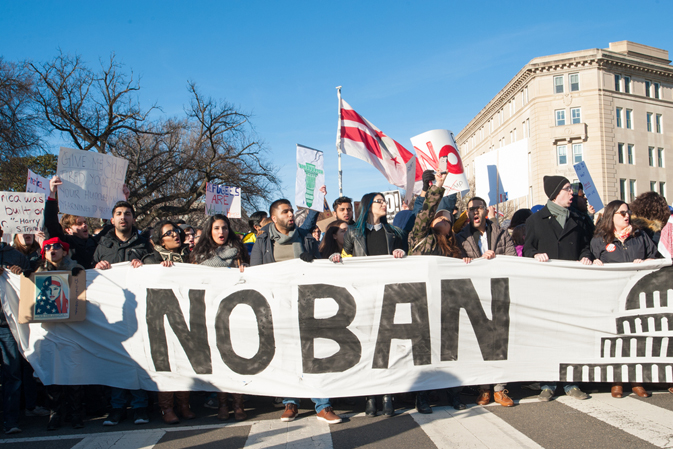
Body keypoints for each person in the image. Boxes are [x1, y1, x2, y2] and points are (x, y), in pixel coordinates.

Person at [250, 199, 340, 424]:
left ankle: (323, 404)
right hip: (278, 306)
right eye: (285, 212)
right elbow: (255, 275)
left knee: (314, 352)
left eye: (291, 210)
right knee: (287, 353)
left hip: (307, 305)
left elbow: (320, 271)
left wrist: (314, 261)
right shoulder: (262, 241)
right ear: (274, 218)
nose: (291, 214)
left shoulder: (305, 238)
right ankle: (291, 402)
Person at [334, 192, 406, 417]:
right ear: (368, 205)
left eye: (384, 201)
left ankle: (387, 395)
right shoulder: (353, 232)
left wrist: (402, 253)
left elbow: (408, 257)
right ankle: (370, 396)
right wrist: (338, 259)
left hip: (388, 295)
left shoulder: (394, 232)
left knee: (386, 345)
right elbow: (347, 258)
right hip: (364, 296)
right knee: (367, 345)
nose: (384, 204)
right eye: (379, 201)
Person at [524, 175, 593, 402]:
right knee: (548, 336)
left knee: (571, 335)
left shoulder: (579, 219)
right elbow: (527, 250)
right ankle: (548, 383)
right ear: (555, 193)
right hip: (545, 289)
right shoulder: (535, 220)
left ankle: (571, 383)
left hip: (572, 288)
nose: (572, 193)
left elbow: (586, 246)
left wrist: (585, 257)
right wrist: (535, 254)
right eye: (567, 189)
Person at [408, 172, 469, 412]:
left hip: (447, 303)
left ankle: (454, 394)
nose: (439, 219)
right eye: (437, 216)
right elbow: (424, 213)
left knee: (450, 349)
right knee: (425, 351)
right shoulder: (421, 237)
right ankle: (422, 397)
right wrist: (438, 186)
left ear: (449, 225)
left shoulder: (454, 246)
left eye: (444, 218)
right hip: (422, 301)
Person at [93, 201, 153, 426]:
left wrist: (144, 263)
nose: (123, 217)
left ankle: (140, 406)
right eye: (118, 214)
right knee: (117, 360)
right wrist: (96, 267)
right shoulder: (102, 244)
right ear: (112, 220)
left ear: (133, 219)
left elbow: (154, 266)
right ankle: (117, 408)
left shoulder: (144, 244)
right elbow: (90, 272)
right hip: (111, 312)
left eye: (127, 214)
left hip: (138, 312)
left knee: (139, 358)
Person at [455, 197, 516, 407]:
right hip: (474, 294)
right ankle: (483, 388)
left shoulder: (500, 233)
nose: (475, 213)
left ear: (485, 212)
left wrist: (495, 259)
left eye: (478, 208)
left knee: (500, 340)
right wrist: (476, 261)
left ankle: (500, 389)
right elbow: (458, 262)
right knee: (478, 341)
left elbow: (511, 258)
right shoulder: (461, 237)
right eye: (471, 210)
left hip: (499, 292)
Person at [591, 200, 656, 398]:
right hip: (612, 296)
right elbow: (591, 258)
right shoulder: (600, 239)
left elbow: (655, 256)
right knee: (616, 337)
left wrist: (646, 262)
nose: (627, 216)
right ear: (612, 216)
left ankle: (637, 381)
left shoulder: (640, 235)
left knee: (636, 337)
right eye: (622, 213)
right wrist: (594, 262)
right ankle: (617, 381)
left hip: (637, 295)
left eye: (628, 213)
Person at [190, 215, 248, 421]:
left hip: (235, 310)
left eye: (224, 228)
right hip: (211, 311)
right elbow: (198, 277)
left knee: (236, 359)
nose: (221, 232)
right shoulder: (199, 255)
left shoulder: (239, 250)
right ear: (209, 231)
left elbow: (250, 278)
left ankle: (239, 403)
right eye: (216, 228)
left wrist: (244, 272)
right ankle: (223, 403)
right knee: (220, 361)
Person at [141, 221, 196, 424]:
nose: (176, 235)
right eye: (169, 233)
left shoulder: (189, 257)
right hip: (161, 318)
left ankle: (184, 405)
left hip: (185, 316)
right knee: (166, 363)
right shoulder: (151, 259)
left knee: (184, 362)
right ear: (160, 241)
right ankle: (167, 408)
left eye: (176, 232)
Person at [31, 237, 86, 430]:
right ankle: (55, 413)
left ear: (64, 251)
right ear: (43, 253)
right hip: (50, 330)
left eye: (57, 247)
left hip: (72, 330)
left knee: (72, 371)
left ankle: (76, 413)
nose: (52, 250)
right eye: (48, 247)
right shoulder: (37, 274)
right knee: (53, 372)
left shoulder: (76, 270)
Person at [45, 176, 117, 269]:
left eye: (85, 222)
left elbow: (112, 226)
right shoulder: (65, 243)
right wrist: (52, 194)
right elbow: (51, 225)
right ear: (68, 229)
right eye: (79, 224)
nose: (84, 225)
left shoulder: (95, 241)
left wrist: (121, 199)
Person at [0, 226, 31, 434]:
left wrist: (22, 274)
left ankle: (11, 420)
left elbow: (31, 285)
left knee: (12, 372)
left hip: (6, 325)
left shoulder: (15, 256)